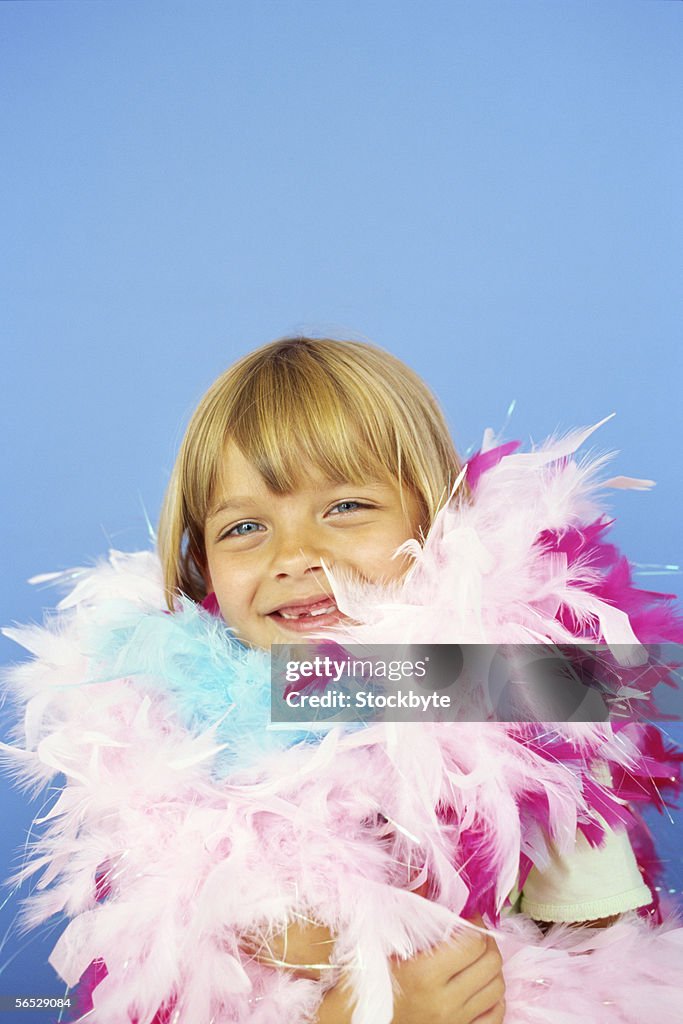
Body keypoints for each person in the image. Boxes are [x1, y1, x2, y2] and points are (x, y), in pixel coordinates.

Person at [3, 336, 681, 1023]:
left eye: (345, 508)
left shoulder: (517, 703)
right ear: (201, 566)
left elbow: (613, 977)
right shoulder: (165, 733)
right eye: (244, 526)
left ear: (439, 521)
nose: (295, 555)